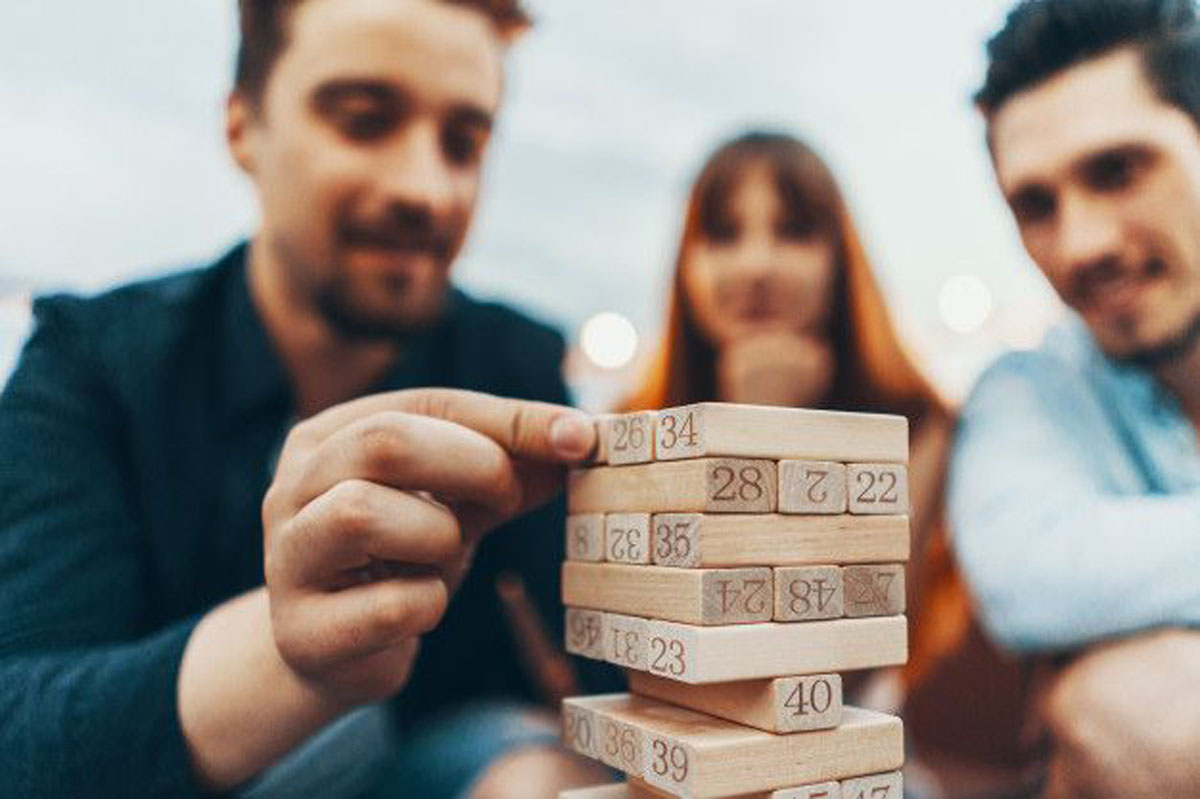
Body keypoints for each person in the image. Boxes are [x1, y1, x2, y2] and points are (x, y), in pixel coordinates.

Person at [0, 1, 617, 797]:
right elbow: (18, 730)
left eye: (463, 142)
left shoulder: (516, 358)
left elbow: (601, 657)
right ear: (242, 127)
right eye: (364, 120)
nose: (425, 188)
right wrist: (288, 650)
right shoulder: (92, 361)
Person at [952, 0, 1200, 795]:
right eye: (1036, 205)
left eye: (1118, 170)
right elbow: (1026, 577)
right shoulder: (1032, 390)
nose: (1082, 243)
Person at [625, 130, 955, 701]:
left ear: (840, 258)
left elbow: (837, 668)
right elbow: (651, 662)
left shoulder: (918, 426)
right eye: (723, 234)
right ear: (685, 262)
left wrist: (767, 424)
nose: (757, 265)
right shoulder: (629, 429)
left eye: (795, 231)